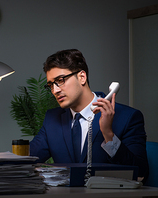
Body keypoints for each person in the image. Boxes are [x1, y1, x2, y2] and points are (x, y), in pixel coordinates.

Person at [30, 49, 149, 180]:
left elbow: (141, 173)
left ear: (82, 77)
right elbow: (27, 159)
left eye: (61, 80)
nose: (55, 90)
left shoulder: (128, 117)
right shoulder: (52, 119)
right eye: (51, 85)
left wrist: (108, 134)